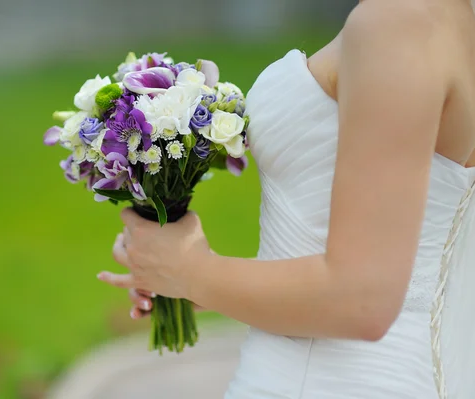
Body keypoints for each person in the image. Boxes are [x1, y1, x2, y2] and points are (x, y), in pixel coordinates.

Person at [97, 0, 475, 397]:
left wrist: (192, 271)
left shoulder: (399, 21)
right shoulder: (452, 20)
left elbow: (362, 300)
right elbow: (398, 267)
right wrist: (190, 281)